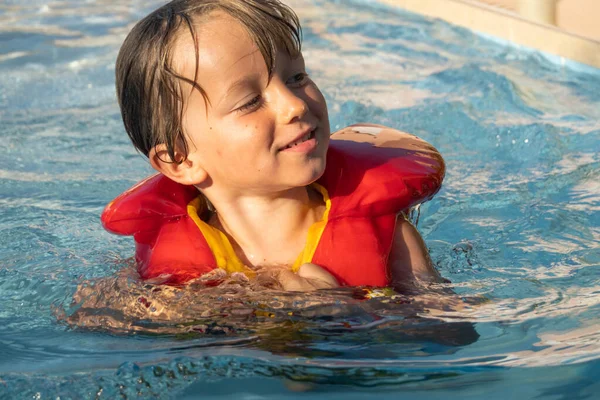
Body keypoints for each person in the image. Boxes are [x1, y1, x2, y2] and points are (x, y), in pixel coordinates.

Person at [104, 0, 446, 292]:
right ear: (180, 160)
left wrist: (344, 318)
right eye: (251, 101)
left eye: (296, 77)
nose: (295, 105)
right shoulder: (165, 269)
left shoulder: (392, 241)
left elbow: (446, 337)